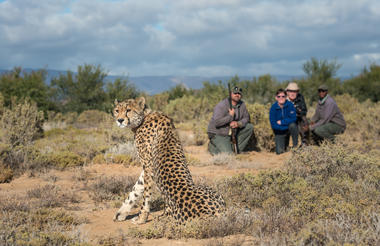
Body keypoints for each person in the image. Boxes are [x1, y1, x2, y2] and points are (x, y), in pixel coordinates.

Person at [207, 86, 254, 155]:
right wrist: (230, 116)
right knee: (228, 155)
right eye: (235, 93)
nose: (237, 95)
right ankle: (212, 147)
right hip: (218, 133)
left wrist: (238, 123)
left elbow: (247, 117)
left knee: (249, 127)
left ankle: (237, 150)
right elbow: (216, 123)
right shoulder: (221, 105)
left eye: (239, 93)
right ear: (230, 94)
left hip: (231, 133)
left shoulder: (242, 104)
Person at [269, 88, 297, 154]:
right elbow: (273, 124)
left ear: (286, 97)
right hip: (279, 131)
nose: (281, 98)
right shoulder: (273, 108)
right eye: (279, 96)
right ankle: (285, 143)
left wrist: (282, 122)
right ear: (276, 97)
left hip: (288, 129)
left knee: (293, 125)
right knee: (279, 152)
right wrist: (283, 127)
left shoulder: (290, 105)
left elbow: (293, 118)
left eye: (283, 96)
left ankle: (295, 146)